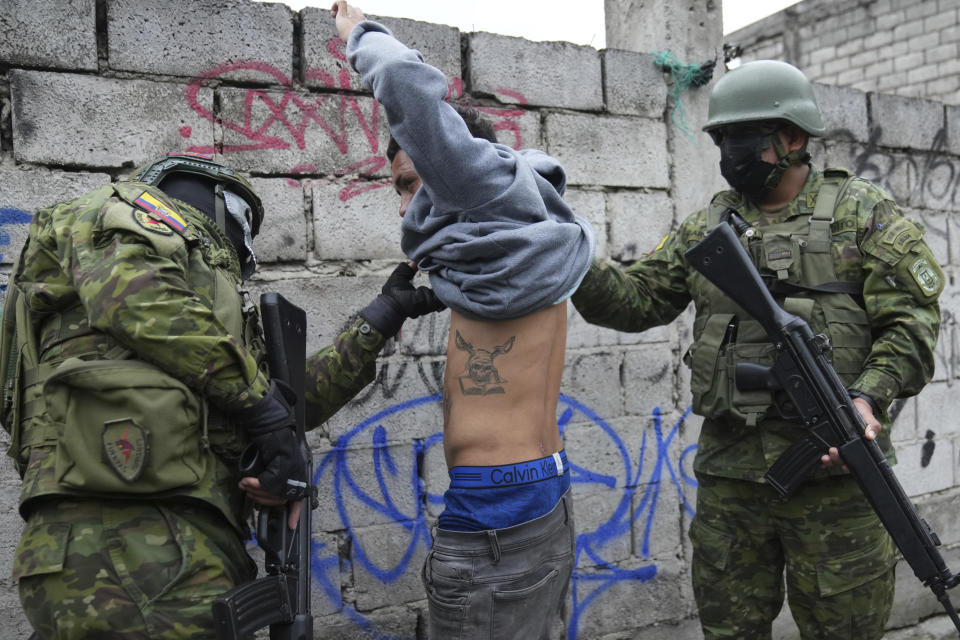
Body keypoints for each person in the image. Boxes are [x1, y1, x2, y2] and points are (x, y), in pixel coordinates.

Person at [0, 151, 443, 638]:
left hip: (172, 547)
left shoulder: (203, 343)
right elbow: (137, 301)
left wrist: (382, 316)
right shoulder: (112, 213)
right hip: (128, 547)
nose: (244, 248)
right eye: (242, 223)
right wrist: (264, 412)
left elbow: (290, 402)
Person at [571, 59, 944, 639]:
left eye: (745, 137)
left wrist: (867, 401)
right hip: (732, 484)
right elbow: (637, 301)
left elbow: (912, 326)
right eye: (723, 139)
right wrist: (566, 256)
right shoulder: (706, 229)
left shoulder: (862, 214)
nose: (731, 153)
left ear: (792, 137)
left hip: (839, 486)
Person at [331, 2, 596, 637]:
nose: (411, 203)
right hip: (536, 491)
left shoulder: (488, 208)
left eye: (424, 179)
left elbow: (405, 85)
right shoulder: (509, 241)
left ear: (462, 168)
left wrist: (356, 33)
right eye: (399, 186)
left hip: (495, 508)